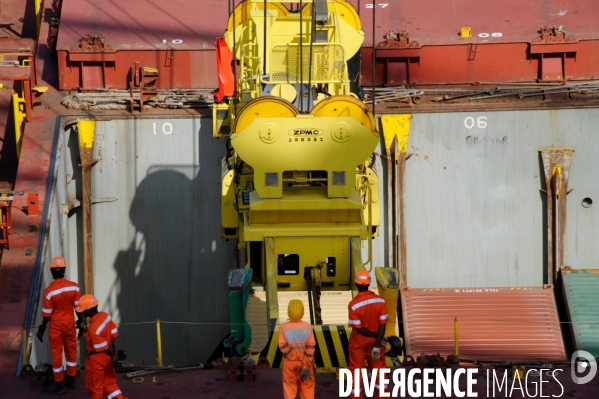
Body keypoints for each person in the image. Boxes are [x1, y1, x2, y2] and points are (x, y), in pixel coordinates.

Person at [37, 255, 83, 394]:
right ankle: (71, 378)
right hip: (69, 324)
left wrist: (42, 328)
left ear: (52, 272)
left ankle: (58, 385)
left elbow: (46, 315)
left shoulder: (49, 292)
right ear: (64, 270)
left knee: (57, 354)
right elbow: (78, 308)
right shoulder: (74, 287)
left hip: (56, 327)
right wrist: (81, 321)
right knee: (71, 351)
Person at [76, 294, 128, 399]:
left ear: (89, 310)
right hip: (107, 360)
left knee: (95, 389)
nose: (82, 312)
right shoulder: (105, 316)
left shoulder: (93, 328)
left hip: (97, 361)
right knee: (109, 384)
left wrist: (113, 355)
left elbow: (103, 347)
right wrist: (115, 354)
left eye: (83, 310)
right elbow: (114, 335)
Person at [347, 270, 388, 398]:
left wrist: (375, 336)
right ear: (369, 284)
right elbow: (383, 324)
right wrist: (377, 341)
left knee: (356, 372)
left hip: (359, 344)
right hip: (376, 343)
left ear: (356, 284)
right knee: (379, 371)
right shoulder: (380, 301)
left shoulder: (353, 305)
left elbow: (359, 329)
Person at [278, 299, 316, 399]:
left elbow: (282, 345)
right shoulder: (308, 327)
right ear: (302, 311)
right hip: (305, 363)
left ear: (288, 311)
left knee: (289, 387)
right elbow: (311, 347)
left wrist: (294, 356)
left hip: (290, 364)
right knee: (307, 387)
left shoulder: (283, 327)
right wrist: (305, 363)